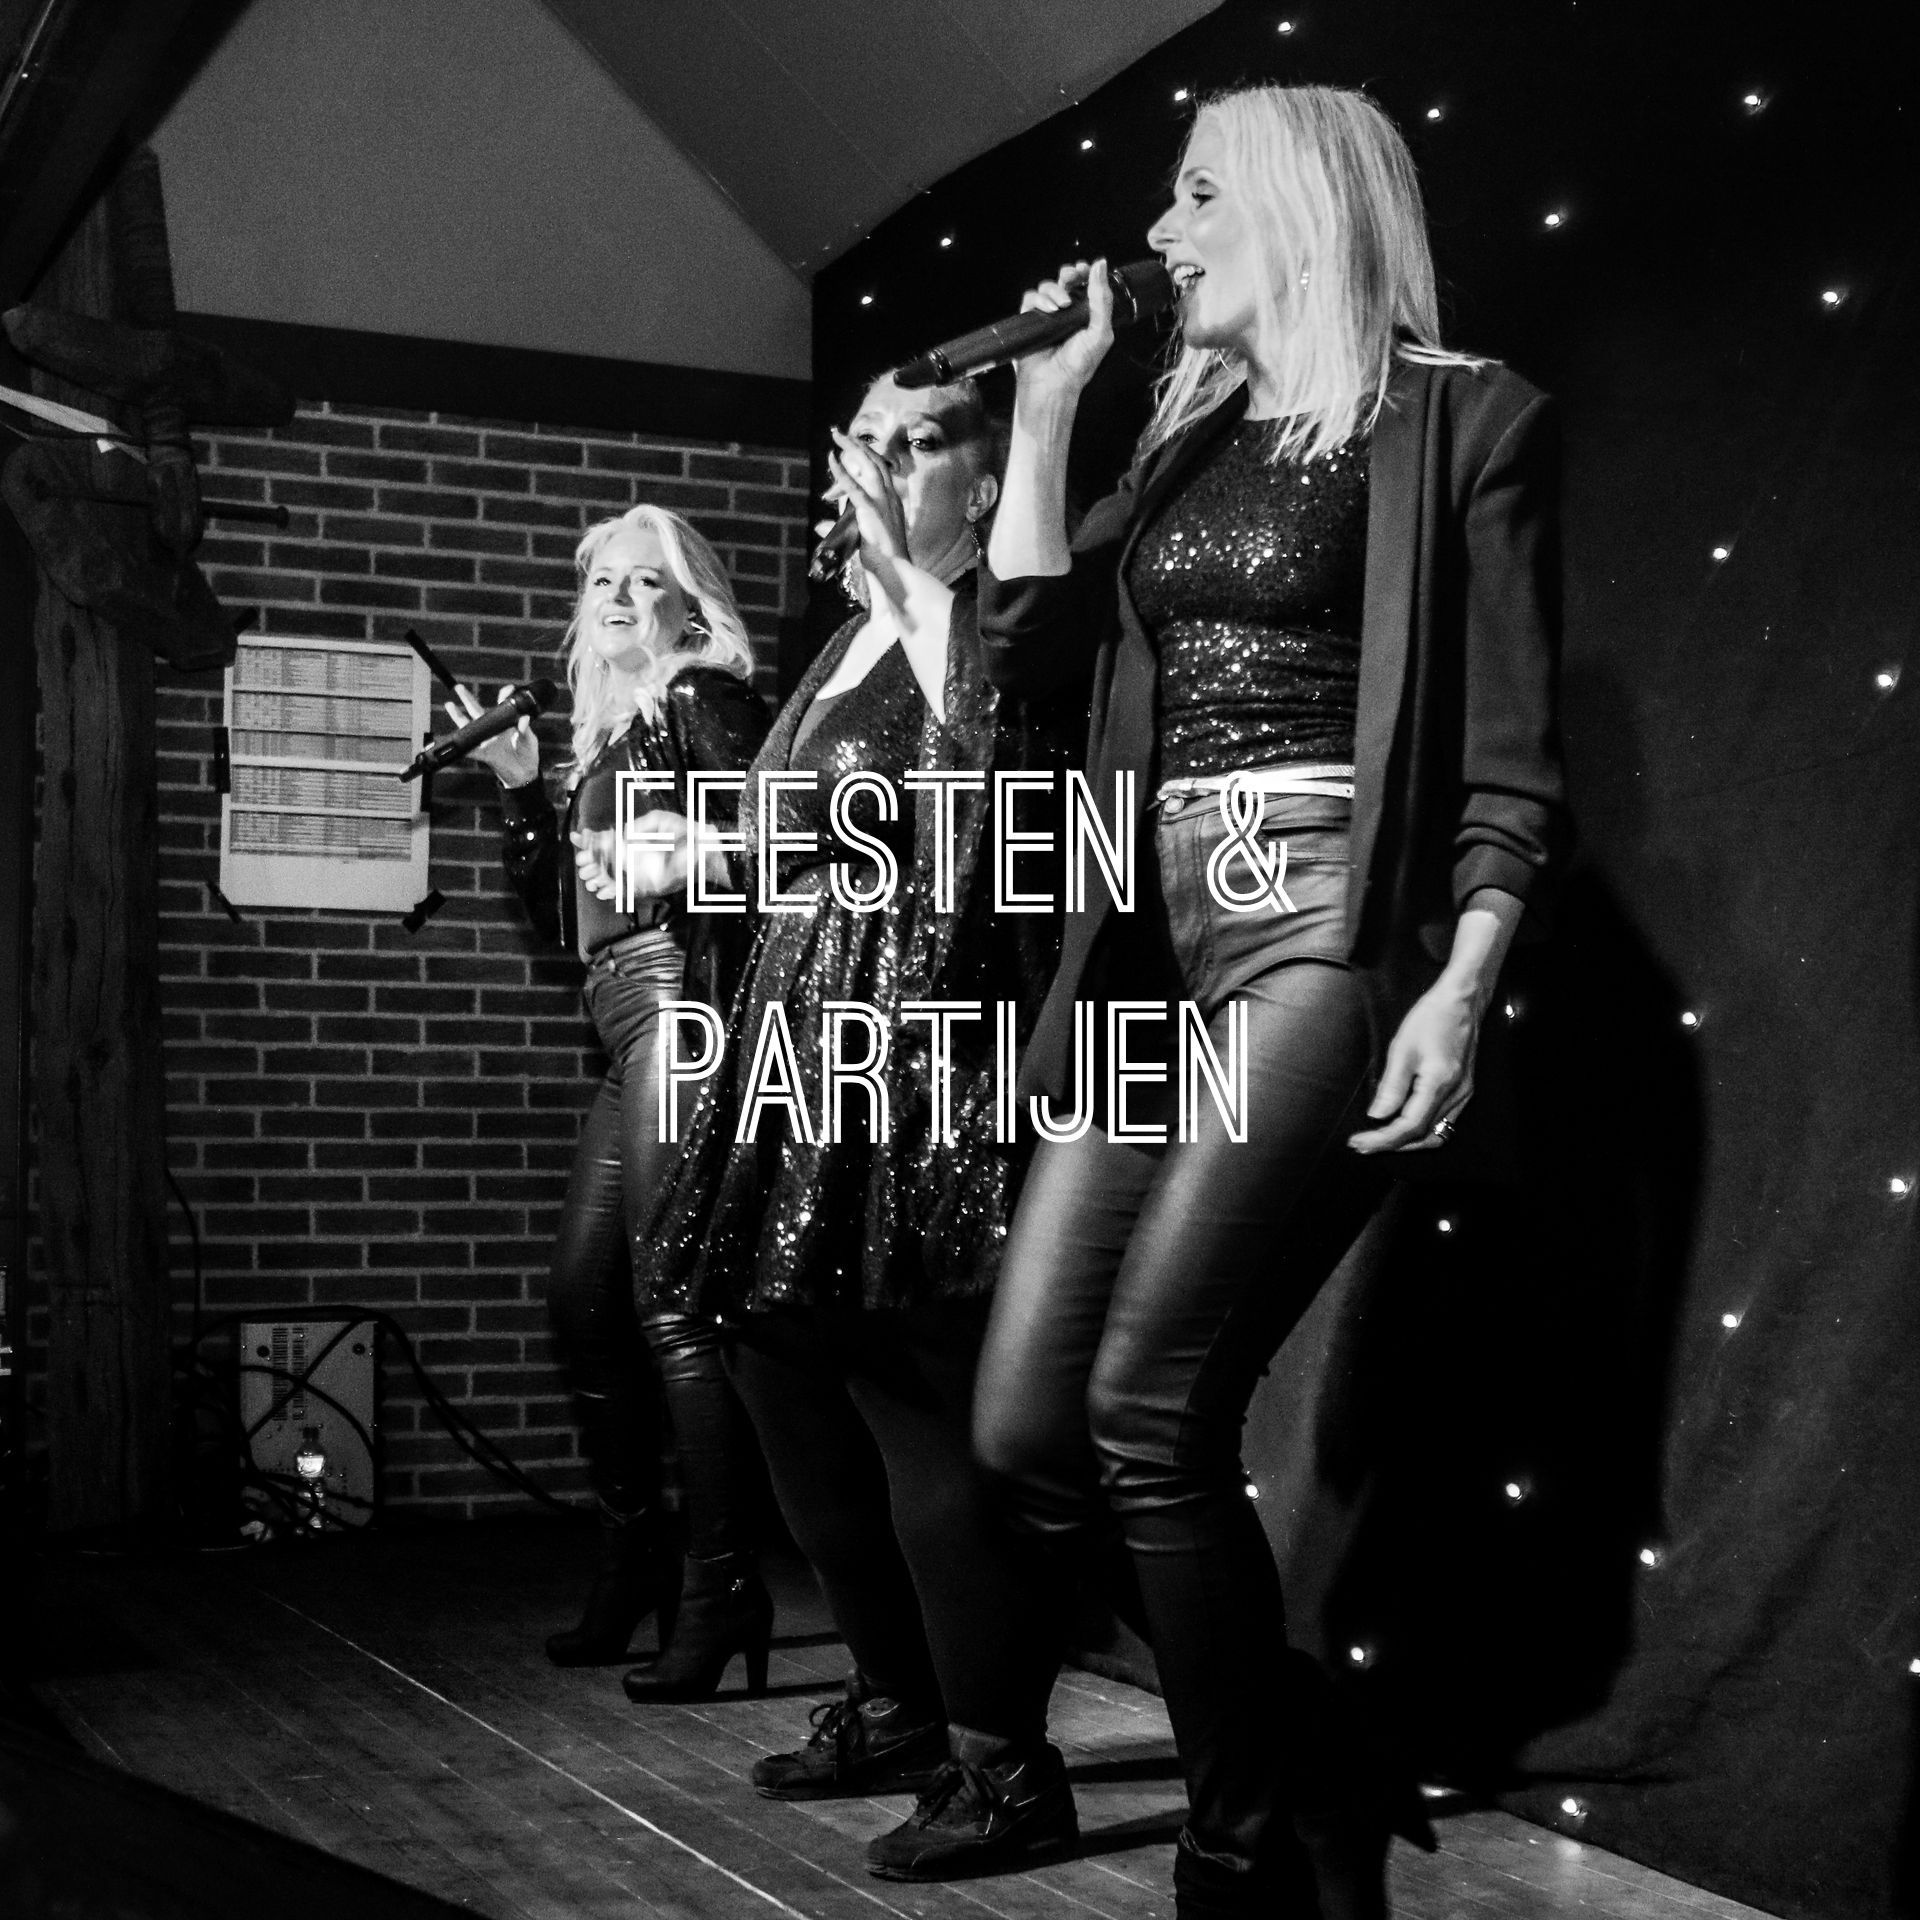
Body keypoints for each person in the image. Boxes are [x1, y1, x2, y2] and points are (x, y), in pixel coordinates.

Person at [971, 85, 1570, 1920]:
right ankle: (1312, 1754)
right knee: (1026, 1431)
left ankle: (1242, 1861)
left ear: (1306, 207)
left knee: (1152, 1406)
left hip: (1317, 921)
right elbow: (1023, 647)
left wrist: (1461, 983)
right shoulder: (1184, 444)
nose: (1162, 235)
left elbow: (1509, 754)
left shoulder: (1467, 418)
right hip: (1155, 940)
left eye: (1198, 196)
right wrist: (1050, 409)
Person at [638, 373, 1079, 1880]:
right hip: (802, 1018)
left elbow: (994, 801)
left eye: (920, 440)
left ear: (986, 479)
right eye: (867, 441)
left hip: (922, 1035)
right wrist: (714, 843)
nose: (880, 466)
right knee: (774, 1366)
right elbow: (810, 824)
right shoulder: (847, 641)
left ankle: (1004, 1766)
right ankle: (895, 1701)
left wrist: (913, 584)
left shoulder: (1004, 619)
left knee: (914, 1395)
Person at [457, 503, 772, 1691]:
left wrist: (689, 851)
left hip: (682, 1002)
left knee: (673, 1307)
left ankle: (722, 1584)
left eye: (648, 581)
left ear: (692, 606)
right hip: (621, 1012)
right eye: (604, 583)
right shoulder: (608, 739)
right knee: (582, 1303)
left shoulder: (701, 701)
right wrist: (521, 795)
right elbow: (563, 921)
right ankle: (635, 1558)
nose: (621, 598)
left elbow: (762, 850)